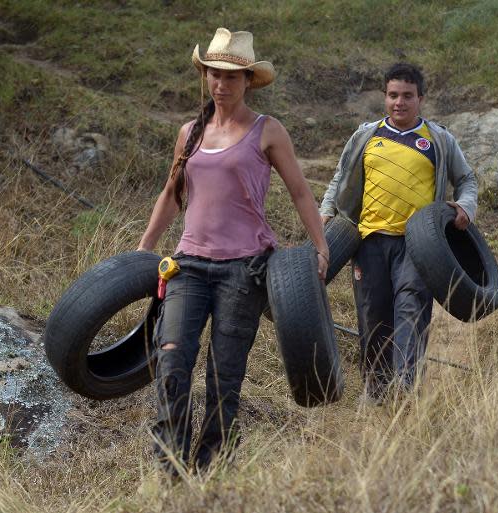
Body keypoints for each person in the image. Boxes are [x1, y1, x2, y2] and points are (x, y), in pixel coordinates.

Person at [138, 27, 330, 474]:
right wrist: (143, 249)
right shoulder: (190, 132)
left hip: (244, 270)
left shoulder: (268, 131)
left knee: (225, 376)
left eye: (231, 77)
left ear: (247, 82)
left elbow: (300, 192)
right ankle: (170, 471)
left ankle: (212, 469)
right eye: (214, 75)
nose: (221, 84)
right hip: (187, 266)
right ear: (205, 77)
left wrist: (320, 246)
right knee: (171, 363)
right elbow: (171, 193)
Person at [319, 62, 477, 402]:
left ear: (421, 98)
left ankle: (404, 393)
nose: (399, 103)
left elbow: (466, 180)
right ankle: (375, 393)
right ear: (385, 96)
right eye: (393, 95)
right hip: (369, 241)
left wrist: (465, 206)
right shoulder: (366, 135)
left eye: (407, 96)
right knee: (373, 316)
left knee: (410, 311)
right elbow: (340, 177)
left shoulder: (438, 139)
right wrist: (326, 211)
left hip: (418, 246)